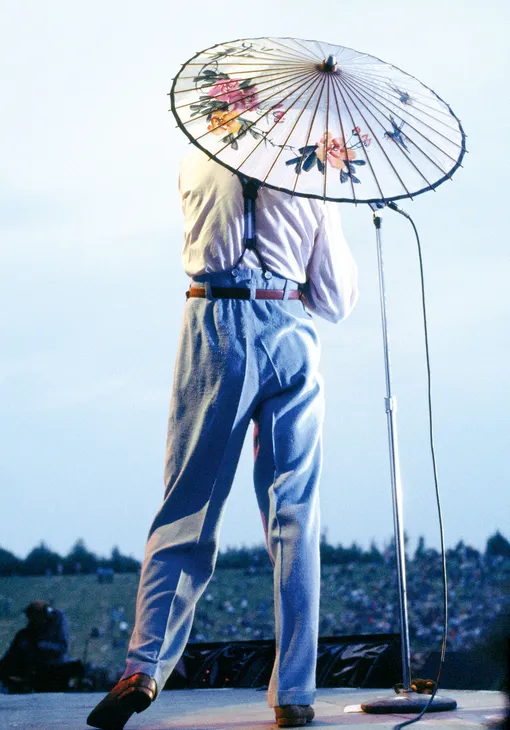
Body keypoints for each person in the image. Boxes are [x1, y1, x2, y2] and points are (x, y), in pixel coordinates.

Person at [87, 148, 359, 729]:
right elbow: (336, 299)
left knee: (188, 508)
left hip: (214, 322)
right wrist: (325, 199)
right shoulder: (309, 174)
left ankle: (144, 667)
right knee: (295, 517)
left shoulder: (194, 162)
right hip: (290, 330)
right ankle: (293, 693)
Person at [0, 600, 73, 692]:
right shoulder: (25, 634)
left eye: (34, 617)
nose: (31, 620)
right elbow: (12, 653)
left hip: (52, 669)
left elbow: (62, 648)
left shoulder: (56, 626)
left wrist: (39, 646)